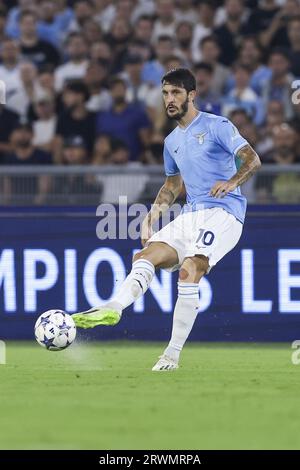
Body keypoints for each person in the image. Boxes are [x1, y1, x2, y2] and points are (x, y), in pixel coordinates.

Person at [72, 68, 261, 371]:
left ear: (191, 95)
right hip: (191, 213)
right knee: (145, 255)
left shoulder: (217, 126)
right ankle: (114, 307)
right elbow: (172, 185)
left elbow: (252, 158)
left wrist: (232, 182)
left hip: (224, 213)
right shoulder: (171, 141)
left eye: (175, 93)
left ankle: (171, 355)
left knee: (189, 269)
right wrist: (151, 217)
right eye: (164, 93)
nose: (169, 100)